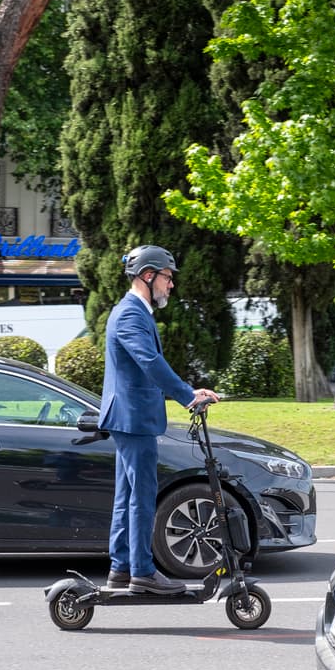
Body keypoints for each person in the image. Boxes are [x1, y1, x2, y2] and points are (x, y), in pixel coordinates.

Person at [100, 244, 219, 595]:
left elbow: (149, 365)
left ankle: (121, 567)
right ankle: (142, 572)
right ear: (148, 276)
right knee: (142, 496)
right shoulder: (130, 315)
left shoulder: (134, 312)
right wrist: (187, 396)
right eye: (167, 278)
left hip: (130, 418)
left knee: (128, 495)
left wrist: (187, 390)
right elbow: (149, 363)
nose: (171, 285)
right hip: (133, 419)